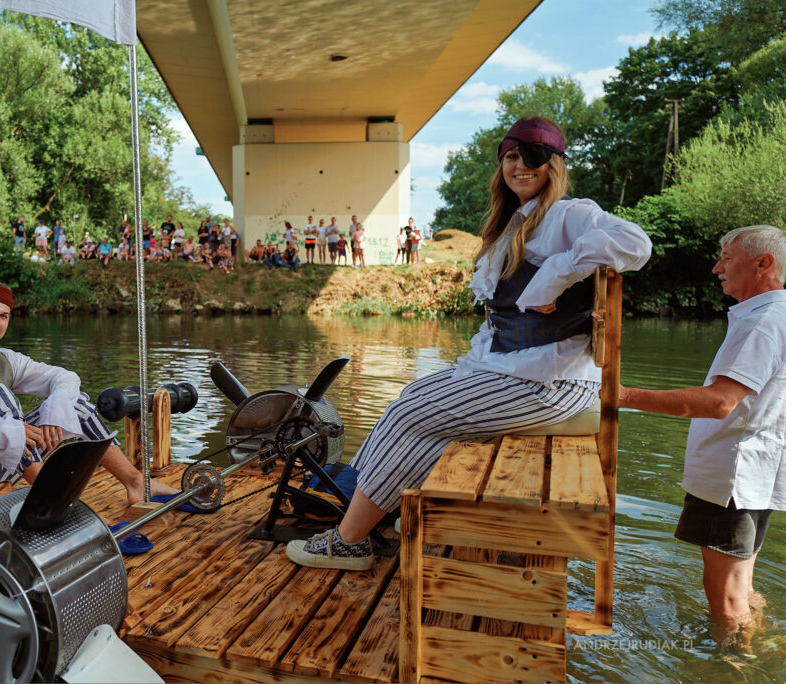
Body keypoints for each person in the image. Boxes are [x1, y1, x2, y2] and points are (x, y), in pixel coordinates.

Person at [285, 117, 652, 570]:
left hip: (551, 383)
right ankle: (373, 509)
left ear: (554, 164)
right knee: (414, 396)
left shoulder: (567, 214)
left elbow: (635, 243)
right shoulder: (510, 224)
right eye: (511, 157)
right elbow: (498, 325)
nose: (519, 166)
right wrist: (468, 369)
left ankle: (349, 541)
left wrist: (553, 278)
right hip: (513, 372)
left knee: (408, 412)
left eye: (532, 157)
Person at [620, 224, 786, 646]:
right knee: (743, 583)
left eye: (727, 259)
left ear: (763, 263)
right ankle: (759, 644)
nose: (717, 268)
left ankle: (734, 666)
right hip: (758, 473)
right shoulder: (776, 313)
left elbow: (720, 402)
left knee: (725, 597)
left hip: (734, 475)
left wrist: (624, 395)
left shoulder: (763, 322)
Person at [0, 280, 178, 506]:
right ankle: (57, 502)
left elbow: (65, 377)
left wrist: (54, 411)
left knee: (77, 403)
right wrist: (1, 430)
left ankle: (135, 483)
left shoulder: (6, 360)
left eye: (3, 316)